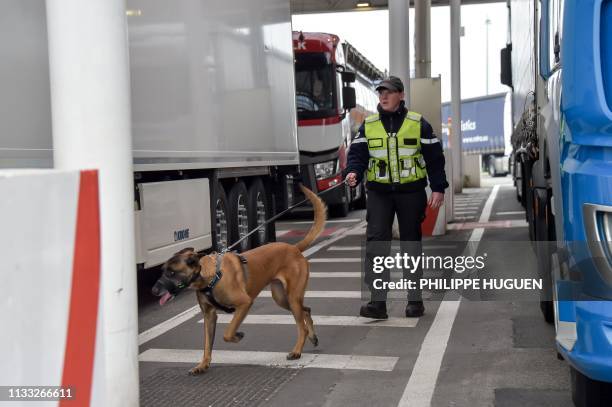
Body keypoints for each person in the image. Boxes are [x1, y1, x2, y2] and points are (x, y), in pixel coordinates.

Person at [344, 76, 448, 319]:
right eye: (381, 92)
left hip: (411, 192)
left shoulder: (418, 123)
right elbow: (357, 156)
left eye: (389, 92)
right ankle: (377, 303)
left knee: (411, 244)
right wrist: (352, 173)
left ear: (401, 95)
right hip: (379, 193)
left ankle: (415, 300)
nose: (383, 96)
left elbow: (435, 158)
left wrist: (438, 188)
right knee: (377, 243)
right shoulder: (368, 125)